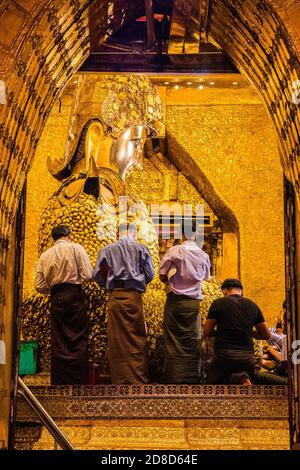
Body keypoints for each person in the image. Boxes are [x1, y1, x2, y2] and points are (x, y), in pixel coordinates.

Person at [93, 223, 154, 384]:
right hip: (134, 296)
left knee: (117, 340)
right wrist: (139, 282)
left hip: (115, 296)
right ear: (134, 234)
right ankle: (137, 379)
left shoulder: (107, 250)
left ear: (117, 234)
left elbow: (96, 274)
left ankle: (120, 379)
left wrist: (106, 285)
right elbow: (150, 274)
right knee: (137, 338)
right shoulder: (141, 248)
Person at [35, 225, 93, 385]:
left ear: (53, 238)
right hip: (74, 294)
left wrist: (54, 290)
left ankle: (60, 382)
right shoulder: (76, 248)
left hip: (56, 296)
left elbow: (39, 285)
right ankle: (78, 381)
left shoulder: (45, 255)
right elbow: (88, 275)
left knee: (59, 339)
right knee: (78, 337)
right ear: (69, 235)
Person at [158, 229, 211, 383]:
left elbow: (161, 275)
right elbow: (206, 277)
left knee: (173, 340)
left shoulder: (174, 251)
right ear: (196, 235)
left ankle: (173, 377)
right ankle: (191, 377)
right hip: (193, 304)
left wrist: (171, 279)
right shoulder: (203, 255)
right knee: (192, 339)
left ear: (181, 234)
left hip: (175, 302)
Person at [203, 278, 270, 385]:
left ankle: (238, 378)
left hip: (223, 357)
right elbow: (266, 334)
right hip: (247, 359)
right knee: (240, 371)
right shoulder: (253, 305)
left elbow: (207, 331)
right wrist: (246, 330)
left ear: (224, 290)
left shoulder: (218, 303)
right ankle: (242, 378)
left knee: (213, 380)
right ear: (241, 291)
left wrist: (222, 330)